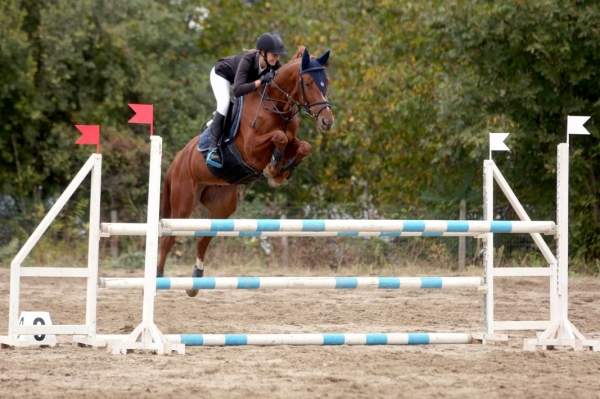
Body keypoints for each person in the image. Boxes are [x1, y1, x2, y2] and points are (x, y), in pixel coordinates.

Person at [207, 32, 287, 165]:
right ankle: (212, 148)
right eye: (274, 55)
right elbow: (238, 90)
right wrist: (261, 81)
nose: (276, 58)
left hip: (240, 82)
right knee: (225, 103)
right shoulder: (248, 60)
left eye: (278, 55)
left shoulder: (274, 64)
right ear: (262, 52)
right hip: (221, 75)